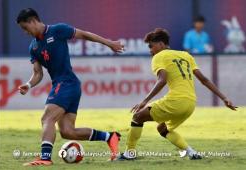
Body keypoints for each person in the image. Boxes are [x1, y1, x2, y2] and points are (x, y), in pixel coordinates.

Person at [16, 8, 124, 166]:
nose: (25, 32)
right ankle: (110, 137)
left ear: (33, 20)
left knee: (47, 118)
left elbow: (85, 34)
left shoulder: (57, 30)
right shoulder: (33, 47)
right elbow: (38, 73)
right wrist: (28, 84)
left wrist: (109, 43)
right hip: (65, 85)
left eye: (25, 27)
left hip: (66, 83)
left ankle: (45, 158)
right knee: (67, 131)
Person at [118, 28, 237, 160]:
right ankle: (191, 152)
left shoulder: (159, 56)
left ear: (161, 44)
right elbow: (204, 80)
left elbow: (162, 80)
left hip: (176, 101)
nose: (150, 50)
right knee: (162, 129)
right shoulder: (186, 55)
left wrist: (145, 100)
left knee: (137, 117)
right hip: (190, 104)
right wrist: (224, 98)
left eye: (151, 46)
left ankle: (129, 153)